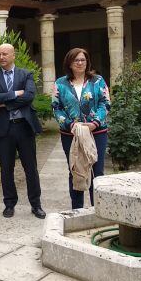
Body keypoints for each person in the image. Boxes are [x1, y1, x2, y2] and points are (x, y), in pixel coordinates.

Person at [0, 43, 45, 219]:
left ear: (13, 55)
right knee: (6, 169)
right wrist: (16, 94)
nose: (1, 57)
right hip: (4, 129)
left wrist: (4, 102)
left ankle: (36, 205)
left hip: (24, 127)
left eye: (5, 54)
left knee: (31, 168)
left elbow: (29, 96)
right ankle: (9, 204)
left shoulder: (26, 74)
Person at [52, 47, 111, 209]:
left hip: (96, 132)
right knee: (75, 171)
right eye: (76, 60)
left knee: (96, 172)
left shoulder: (97, 81)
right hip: (70, 134)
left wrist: (94, 123)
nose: (79, 63)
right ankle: (77, 210)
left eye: (82, 60)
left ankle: (98, 210)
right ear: (69, 63)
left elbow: (105, 103)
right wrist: (70, 124)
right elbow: (56, 108)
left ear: (87, 62)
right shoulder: (60, 83)